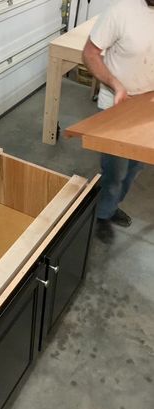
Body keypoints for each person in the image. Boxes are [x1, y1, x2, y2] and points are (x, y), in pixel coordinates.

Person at [82, 0, 154, 243]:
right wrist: (116, 85)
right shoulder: (120, 11)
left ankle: (109, 206)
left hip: (147, 107)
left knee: (136, 167)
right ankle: (101, 214)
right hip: (116, 104)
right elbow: (90, 53)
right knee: (116, 171)